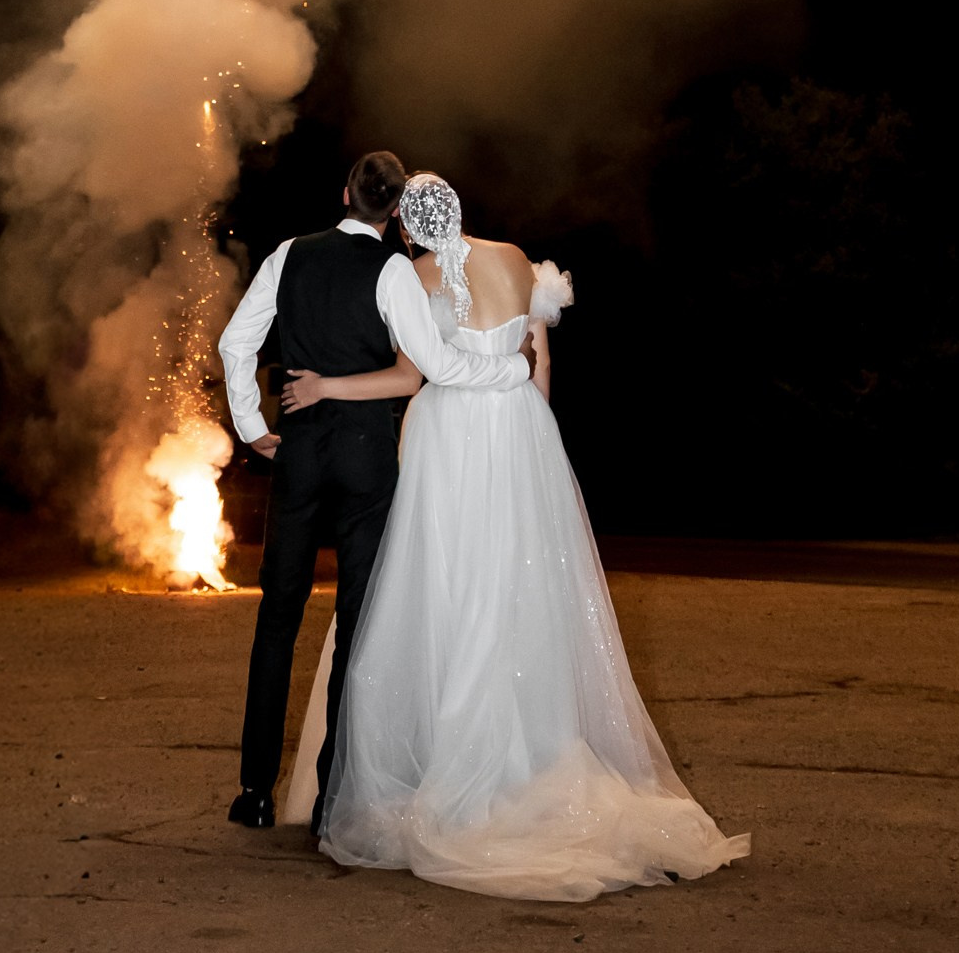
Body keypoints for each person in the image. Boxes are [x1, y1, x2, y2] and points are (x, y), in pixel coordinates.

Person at [283, 170, 749, 902]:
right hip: (519, 431)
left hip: (450, 437)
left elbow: (412, 376)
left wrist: (325, 386)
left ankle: (451, 764)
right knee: (522, 585)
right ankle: (531, 758)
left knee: (447, 584)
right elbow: (541, 368)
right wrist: (534, 445)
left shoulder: (410, 272)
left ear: (407, 225)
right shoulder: (514, 259)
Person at [218, 148, 535, 833]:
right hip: (364, 458)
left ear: (343, 194)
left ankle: (254, 790)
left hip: (300, 448)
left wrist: (253, 428)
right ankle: (334, 791)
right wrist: (512, 371)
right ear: (394, 212)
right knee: (358, 622)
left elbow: (235, 344)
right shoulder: (394, 270)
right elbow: (436, 365)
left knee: (278, 615)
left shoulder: (288, 254)